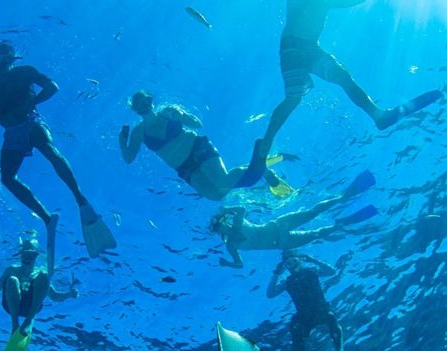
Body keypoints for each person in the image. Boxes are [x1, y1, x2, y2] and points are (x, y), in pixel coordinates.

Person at [243, 0, 443, 183]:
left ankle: (378, 115)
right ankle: (264, 147)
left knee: (343, 78)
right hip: (293, 46)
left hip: (310, 48)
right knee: (294, 99)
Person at [0, 40, 115, 270]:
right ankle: (46, 218)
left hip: (32, 121)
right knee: (7, 178)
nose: (1, 59)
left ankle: (79, 198)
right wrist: (2, 119)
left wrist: (29, 103)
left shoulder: (25, 71)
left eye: (5, 55)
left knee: (50, 151)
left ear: (11, 58)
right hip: (11, 132)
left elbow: (52, 86)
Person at [118, 90, 293, 200]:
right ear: (135, 109)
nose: (143, 105)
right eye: (138, 104)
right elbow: (128, 158)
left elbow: (197, 124)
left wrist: (182, 115)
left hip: (197, 149)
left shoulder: (168, 112)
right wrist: (121, 141)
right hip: (185, 168)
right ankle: (255, 169)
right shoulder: (138, 132)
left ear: (151, 101)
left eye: (145, 101)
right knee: (217, 195)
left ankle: (263, 170)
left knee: (222, 181)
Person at [209, 170, 378, 268]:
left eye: (222, 221)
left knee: (312, 213)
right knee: (318, 233)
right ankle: (344, 222)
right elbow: (240, 264)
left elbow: (242, 208)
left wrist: (226, 209)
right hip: (284, 242)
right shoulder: (231, 245)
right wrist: (227, 264)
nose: (223, 224)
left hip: (278, 226)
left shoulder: (237, 222)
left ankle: (345, 195)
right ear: (218, 231)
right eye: (220, 225)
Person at [267, 251, 353, 351]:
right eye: (287, 262)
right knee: (294, 329)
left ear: (299, 260)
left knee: (330, 317)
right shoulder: (287, 281)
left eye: (293, 260)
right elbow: (270, 294)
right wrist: (276, 274)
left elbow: (332, 271)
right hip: (304, 315)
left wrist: (313, 259)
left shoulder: (311, 271)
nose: (291, 263)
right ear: (285, 266)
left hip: (321, 310)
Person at [0, 237, 78, 337]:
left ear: (36, 256)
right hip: (10, 306)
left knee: (44, 275)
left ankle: (29, 320)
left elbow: (54, 296)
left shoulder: (39, 273)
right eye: (25, 255)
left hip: (30, 309)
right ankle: (15, 325)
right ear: (20, 255)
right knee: (12, 280)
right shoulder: (12, 269)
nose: (27, 259)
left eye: (31, 255)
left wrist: (69, 294)